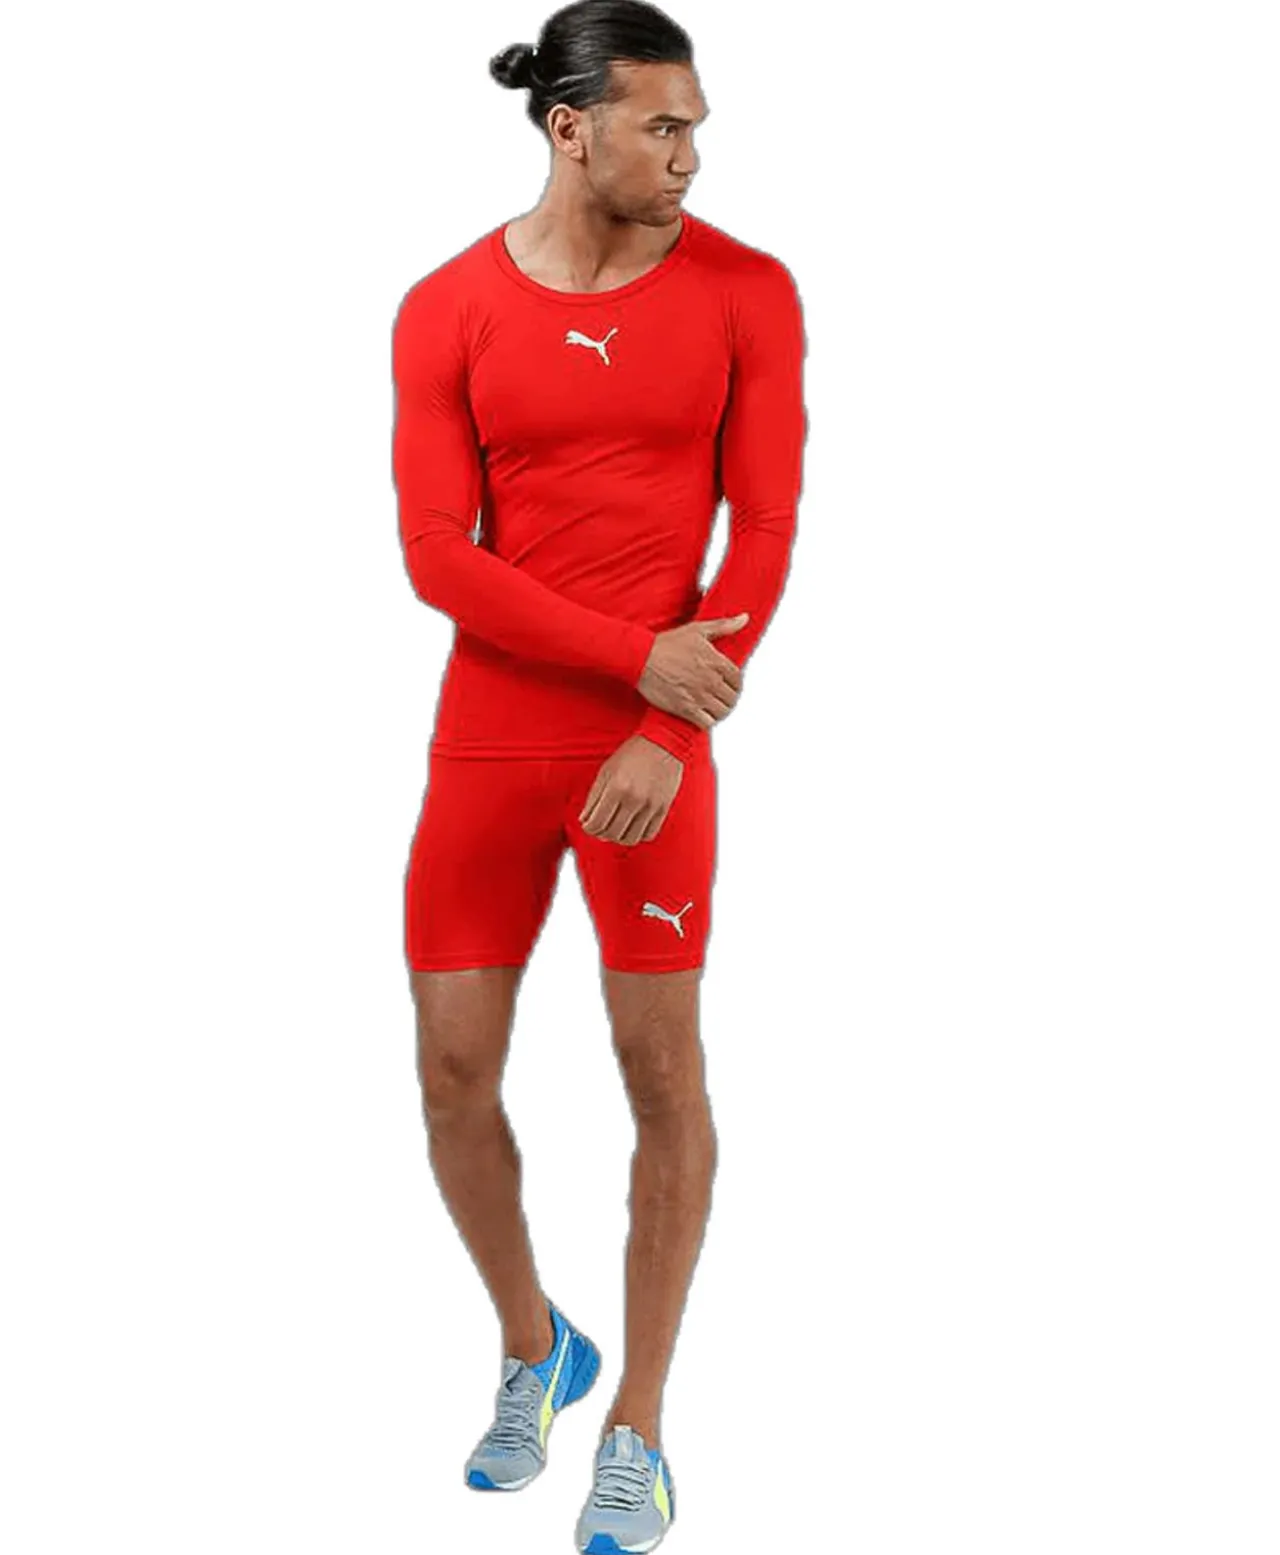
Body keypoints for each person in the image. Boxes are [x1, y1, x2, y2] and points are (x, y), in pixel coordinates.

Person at [391, 2, 807, 1549]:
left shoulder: (749, 292)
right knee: (450, 1076)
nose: (690, 155)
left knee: (661, 1074)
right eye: (663, 126)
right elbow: (437, 554)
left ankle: (637, 1418)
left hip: (653, 756)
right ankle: (535, 1346)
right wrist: (633, 659)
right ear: (572, 130)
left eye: (696, 126)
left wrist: (667, 726)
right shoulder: (446, 306)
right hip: (493, 739)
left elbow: (763, 530)